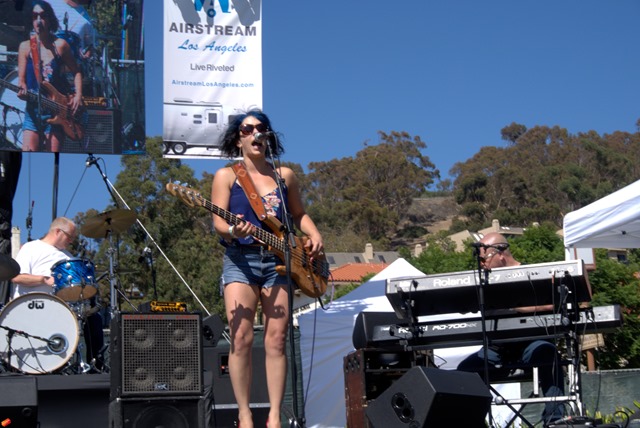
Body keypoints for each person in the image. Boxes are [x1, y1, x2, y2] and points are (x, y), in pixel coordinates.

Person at [211, 110, 324, 428]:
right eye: (248, 129)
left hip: (281, 263)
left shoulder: (284, 175)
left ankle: (275, 416)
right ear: (238, 139)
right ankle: (244, 415)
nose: (255, 133)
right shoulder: (226, 176)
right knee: (241, 337)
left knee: (276, 339)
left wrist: (314, 233)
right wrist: (234, 231)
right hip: (241, 260)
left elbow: (299, 214)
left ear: (268, 136)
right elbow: (218, 222)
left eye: (261, 128)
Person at [457, 232, 565, 426]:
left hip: (531, 344)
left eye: (484, 259)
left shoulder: (533, 274)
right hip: (497, 349)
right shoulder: (484, 282)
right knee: (465, 370)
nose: (481, 264)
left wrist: (518, 306)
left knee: (548, 353)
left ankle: (555, 420)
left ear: (500, 253)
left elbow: (556, 303)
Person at [12, 217, 104, 370]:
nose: (71, 241)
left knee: (94, 318)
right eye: (69, 237)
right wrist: (44, 279)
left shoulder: (68, 257)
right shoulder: (31, 248)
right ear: (57, 232)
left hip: (59, 311)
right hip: (31, 308)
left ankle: (96, 368)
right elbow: (16, 277)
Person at [17, 0, 84, 152]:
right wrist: (22, 91)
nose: (38, 21)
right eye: (34, 16)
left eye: (42, 16)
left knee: (52, 156)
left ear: (50, 19)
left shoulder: (61, 45)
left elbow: (77, 71)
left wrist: (78, 95)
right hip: (33, 112)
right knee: (28, 154)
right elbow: (21, 82)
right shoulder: (25, 47)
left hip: (57, 111)